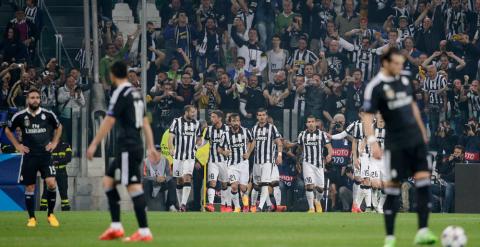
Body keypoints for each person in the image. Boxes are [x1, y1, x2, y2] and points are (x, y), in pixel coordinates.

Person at [363, 48, 437, 246]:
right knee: (393, 190)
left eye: (401, 64)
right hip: (395, 144)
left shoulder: (405, 79)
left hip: (415, 140)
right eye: (396, 63)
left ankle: (422, 230)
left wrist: (423, 133)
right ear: (385, 64)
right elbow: (367, 117)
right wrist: (372, 143)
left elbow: (413, 107)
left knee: (423, 184)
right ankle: (390, 237)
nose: (400, 67)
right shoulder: (375, 87)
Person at [86, 61, 159, 242]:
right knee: (108, 182)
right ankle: (116, 227)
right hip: (133, 145)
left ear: (112, 74)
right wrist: (150, 146)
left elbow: (109, 121)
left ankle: (144, 230)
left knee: (133, 187)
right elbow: (145, 123)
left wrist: (94, 144)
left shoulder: (121, 93)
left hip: (127, 146)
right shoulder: (136, 93)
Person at [4, 88, 62, 227]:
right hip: (29, 156)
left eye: (37, 97)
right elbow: (7, 129)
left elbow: (59, 127)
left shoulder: (48, 114)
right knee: (30, 187)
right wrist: (18, 145)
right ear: (27, 100)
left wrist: (54, 142)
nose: (35, 100)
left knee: (51, 183)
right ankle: (32, 218)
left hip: (45, 156)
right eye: (32, 97)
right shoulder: (20, 115)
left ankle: (51, 215)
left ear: (40, 99)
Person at [168, 105, 202, 212]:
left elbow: (199, 139)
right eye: (192, 112)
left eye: (195, 112)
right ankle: (180, 204)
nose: (194, 114)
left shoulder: (196, 123)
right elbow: (171, 136)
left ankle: (183, 205)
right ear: (186, 112)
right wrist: (171, 148)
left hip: (190, 157)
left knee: (187, 177)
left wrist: (195, 148)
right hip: (178, 156)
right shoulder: (176, 121)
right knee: (179, 180)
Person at [218, 113, 254, 213]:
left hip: (243, 164)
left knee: (243, 188)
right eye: (234, 121)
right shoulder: (225, 135)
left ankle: (246, 205)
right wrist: (224, 152)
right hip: (231, 165)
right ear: (230, 122)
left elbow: (252, 141)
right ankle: (237, 207)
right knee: (234, 186)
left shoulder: (245, 131)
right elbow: (219, 148)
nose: (236, 123)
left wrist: (248, 152)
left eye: (237, 121)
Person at [297, 116, 333, 213]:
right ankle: (311, 208)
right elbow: (299, 149)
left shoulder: (322, 134)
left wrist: (329, 155)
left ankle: (317, 201)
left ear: (316, 123)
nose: (311, 123)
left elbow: (329, 147)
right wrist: (297, 162)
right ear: (306, 124)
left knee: (320, 189)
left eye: (313, 121)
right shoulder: (302, 135)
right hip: (307, 163)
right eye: (309, 122)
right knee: (309, 185)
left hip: (319, 164)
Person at [250, 108, 283, 212]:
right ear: (257, 117)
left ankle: (260, 207)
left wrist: (279, 155)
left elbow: (279, 143)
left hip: (268, 161)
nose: (261, 117)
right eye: (259, 115)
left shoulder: (272, 128)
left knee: (266, 183)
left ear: (266, 116)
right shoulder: (254, 129)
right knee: (256, 185)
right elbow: (251, 143)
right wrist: (247, 153)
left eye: (263, 115)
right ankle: (253, 206)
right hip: (256, 161)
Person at [204, 110, 231, 212]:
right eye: (211, 117)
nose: (212, 119)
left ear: (220, 118)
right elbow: (204, 142)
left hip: (225, 162)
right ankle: (210, 205)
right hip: (212, 161)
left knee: (225, 184)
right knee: (212, 182)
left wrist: (228, 151)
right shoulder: (209, 129)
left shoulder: (228, 129)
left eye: (214, 117)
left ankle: (225, 205)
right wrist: (196, 145)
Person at [40, 141, 72, 211]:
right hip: (50, 170)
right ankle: (43, 209)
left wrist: (56, 161)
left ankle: (65, 209)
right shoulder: (48, 144)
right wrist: (58, 160)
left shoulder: (66, 145)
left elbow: (68, 158)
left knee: (63, 191)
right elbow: (45, 157)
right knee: (45, 191)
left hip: (62, 171)